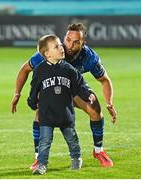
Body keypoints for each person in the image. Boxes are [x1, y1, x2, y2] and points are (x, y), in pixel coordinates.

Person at [11, 23, 117, 168]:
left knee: (95, 109)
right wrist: (17, 93)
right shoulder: (52, 51)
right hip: (53, 87)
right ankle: (38, 158)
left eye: (75, 42)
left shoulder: (89, 56)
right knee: (40, 114)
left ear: (82, 44)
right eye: (67, 39)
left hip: (74, 87)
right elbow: (25, 69)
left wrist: (109, 102)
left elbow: (104, 80)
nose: (69, 45)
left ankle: (98, 151)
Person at [27, 34, 95, 174]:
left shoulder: (69, 69)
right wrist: (32, 102)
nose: (62, 48)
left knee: (72, 139)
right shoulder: (39, 70)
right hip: (47, 114)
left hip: (65, 113)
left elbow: (79, 85)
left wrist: (88, 94)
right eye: (57, 46)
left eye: (60, 45)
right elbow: (34, 88)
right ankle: (42, 164)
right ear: (47, 54)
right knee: (44, 141)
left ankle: (76, 159)